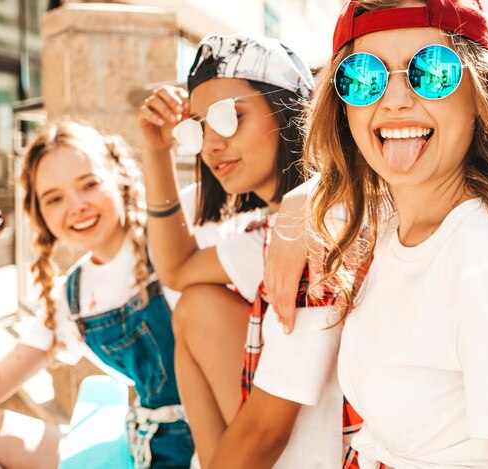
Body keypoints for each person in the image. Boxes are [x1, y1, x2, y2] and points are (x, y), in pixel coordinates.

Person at [264, 0, 488, 468]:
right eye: (363, 77)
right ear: (343, 110)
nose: (394, 100)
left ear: (481, 96)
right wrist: (301, 201)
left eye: (432, 71)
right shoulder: (396, 221)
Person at [137, 33, 344, 468]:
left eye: (229, 117)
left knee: (196, 308)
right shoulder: (272, 227)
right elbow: (177, 269)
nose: (211, 144)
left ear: (288, 110)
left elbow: (178, 270)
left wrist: (307, 197)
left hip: (318, 447)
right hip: (301, 440)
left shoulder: (317, 220)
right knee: (195, 305)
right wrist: (156, 150)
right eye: (198, 128)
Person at [0, 121, 219, 468]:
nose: (77, 205)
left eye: (89, 184)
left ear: (119, 178)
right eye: (54, 199)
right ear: (41, 214)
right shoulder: (70, 297)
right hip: (147, 449)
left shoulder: (182, 224)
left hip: (223, 440)